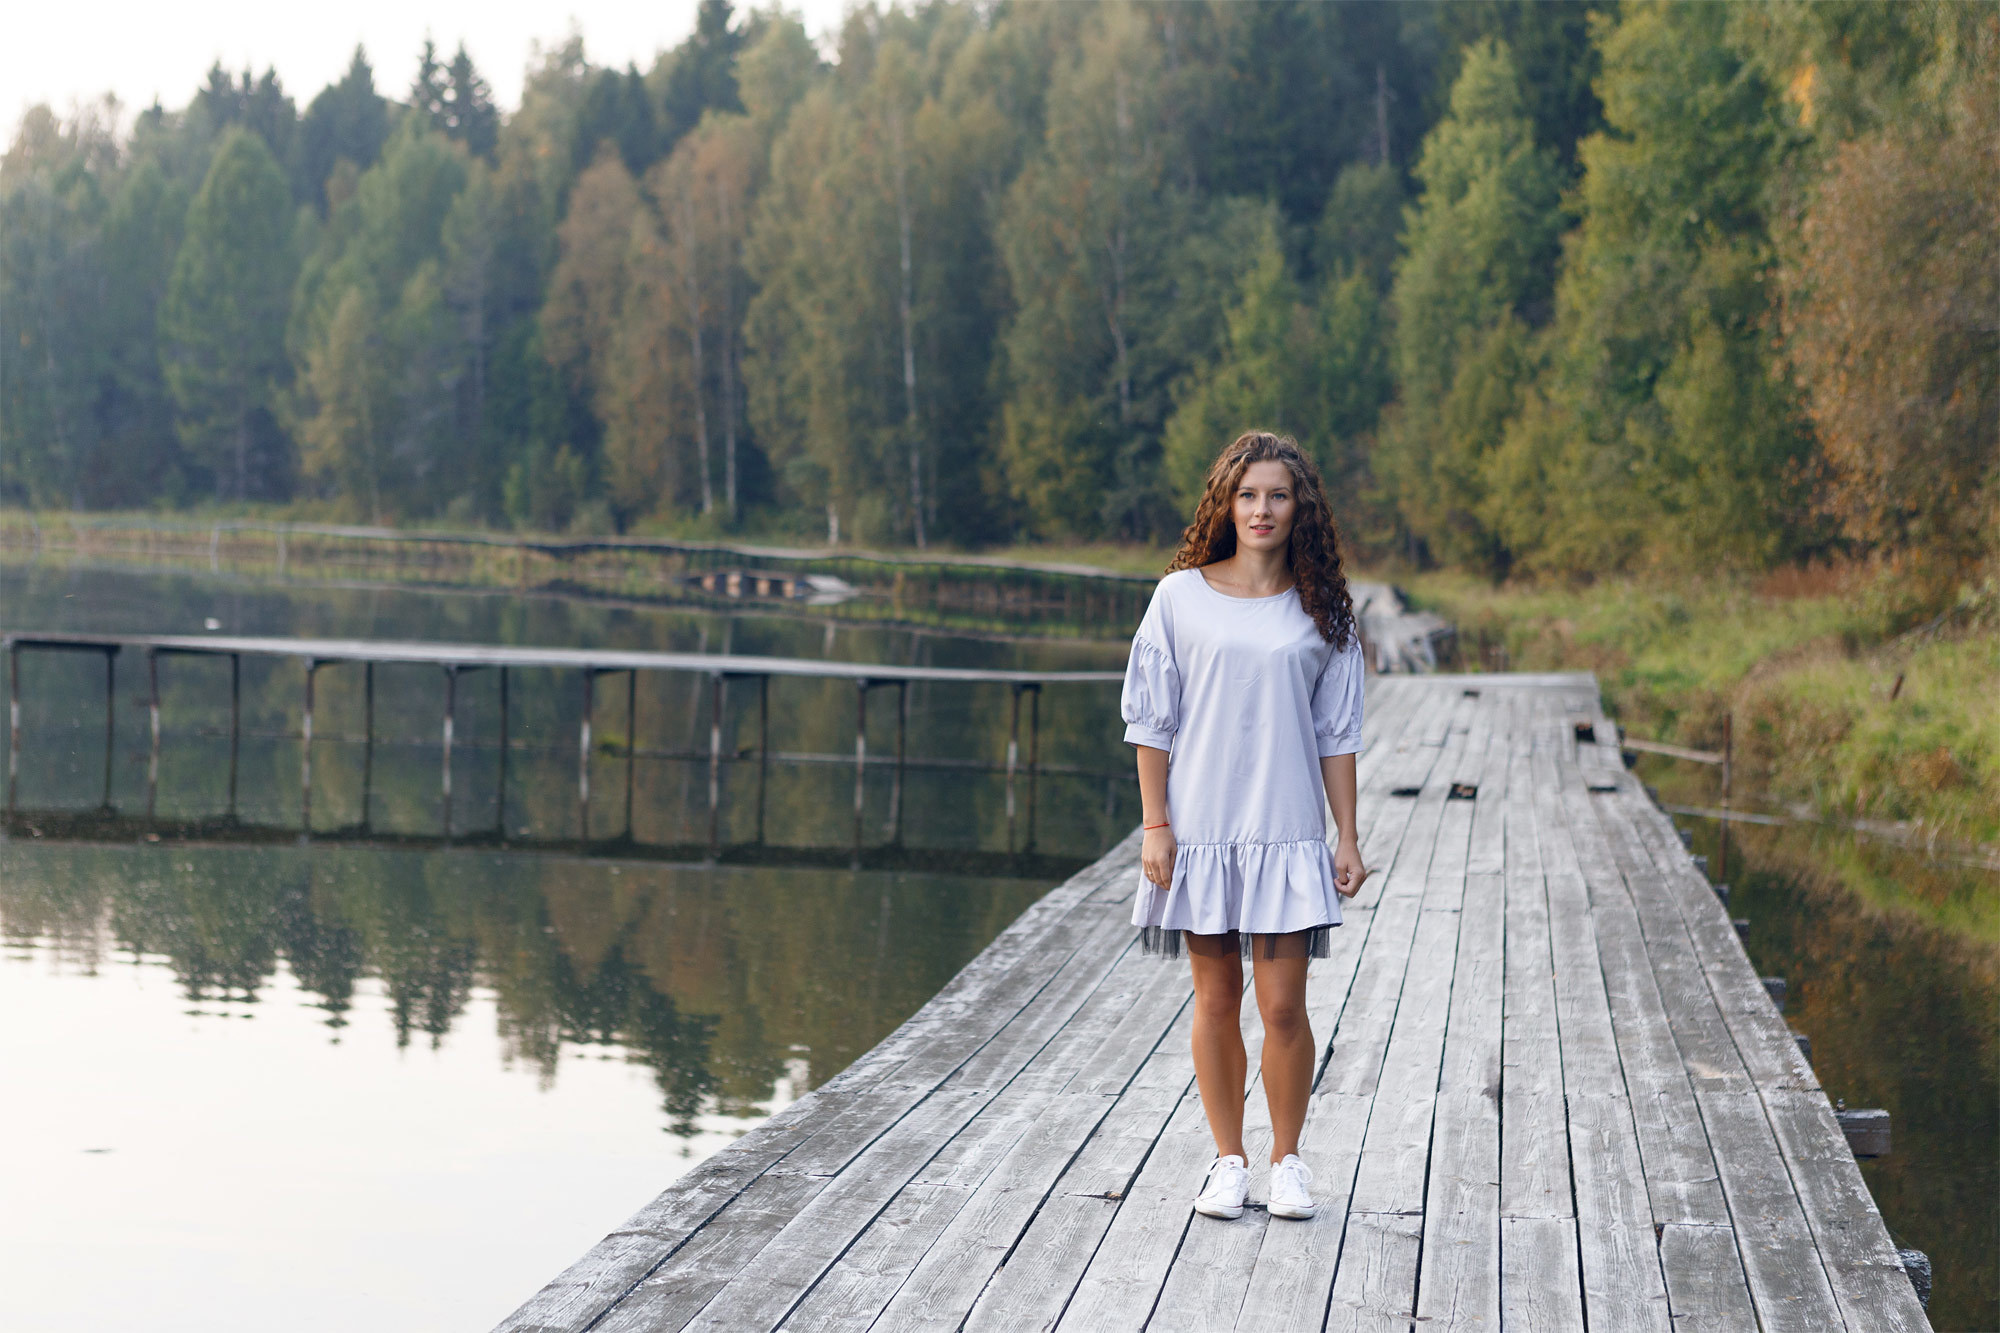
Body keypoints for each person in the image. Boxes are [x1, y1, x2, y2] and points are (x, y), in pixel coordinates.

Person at [1120, 429, 1367, 1223]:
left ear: (1303, 509)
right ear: (1227, 502)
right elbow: (1151, 721)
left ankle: (1287, 1161)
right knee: (1216, 998)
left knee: (1285, 1007)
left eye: (1279, 495)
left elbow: (1338, 733)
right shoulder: (1179, 596)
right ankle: (1228, 1161)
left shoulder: (1323, 610)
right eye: (1249, 493)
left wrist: (1348, 834)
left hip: (1287, 831)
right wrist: (1156, 823)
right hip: (1201, 831)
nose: (1262, 508)